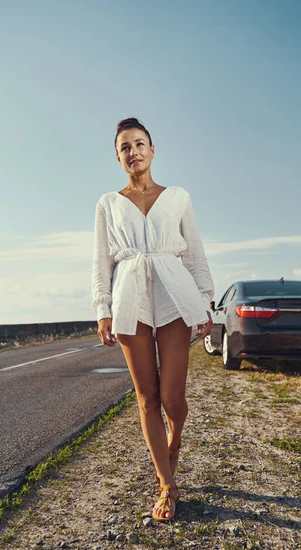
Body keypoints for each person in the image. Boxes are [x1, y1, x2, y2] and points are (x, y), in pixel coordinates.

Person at [91, 117, 214, 521]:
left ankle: (174, 437)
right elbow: (101, 262)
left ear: (152, 149)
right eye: (125, 147)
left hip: (175, 295)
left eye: (139, 143)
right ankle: (167, 484)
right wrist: (103, 309)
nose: (133, 152)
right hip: (130, 297)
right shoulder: (108, 203)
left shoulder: (177, 196)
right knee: (147, 397)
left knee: (173, 398)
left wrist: (205, 301)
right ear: (118, 156)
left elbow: (194, 253)